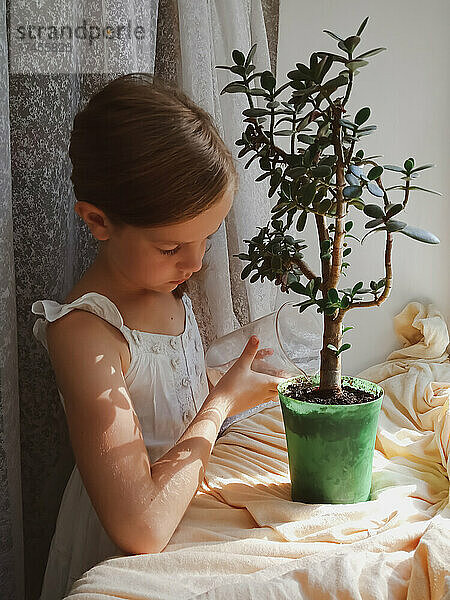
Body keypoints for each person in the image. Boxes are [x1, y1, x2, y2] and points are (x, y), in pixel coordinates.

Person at [31, 73, 283, 600]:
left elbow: (161, 397)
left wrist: (235, 381)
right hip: (128, 552)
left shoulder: (160, 284)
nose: (194, 264)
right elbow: (140, 526)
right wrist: (220, 405)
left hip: (188, 508)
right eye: (172, 248)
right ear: (98, 222)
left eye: (206, 238)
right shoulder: (88, 333)